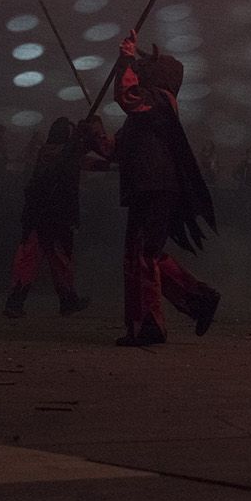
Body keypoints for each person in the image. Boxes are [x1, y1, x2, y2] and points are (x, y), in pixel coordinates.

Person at [88, 32, 221, 347]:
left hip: (156, 186)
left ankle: (154, 324)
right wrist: (93, 134)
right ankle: (196, 300)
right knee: (140, 256)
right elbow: (113, 150)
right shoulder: (144, 113)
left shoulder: (160, 100)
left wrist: (126, 60)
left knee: (144, 255)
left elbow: (126, 96)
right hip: (146, 187)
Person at [3, 117, 93, 318]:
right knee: (42, 257)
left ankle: (66, 300)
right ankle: (20, 302)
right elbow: (72, 156)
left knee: (50, 258)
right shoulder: (56, 153)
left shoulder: (53, 153)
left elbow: (80, 157)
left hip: (43, 214)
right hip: (52, 214)